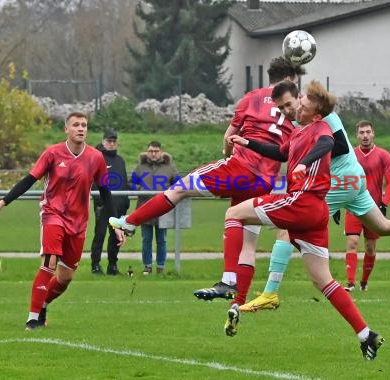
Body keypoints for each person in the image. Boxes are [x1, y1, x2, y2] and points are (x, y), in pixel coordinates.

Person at [239, 83, 390, 314]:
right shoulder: (301, 119)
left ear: (300, 98)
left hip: (341, 180)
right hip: (352, 179)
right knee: (383, 227)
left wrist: (310, 162)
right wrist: (249, 143)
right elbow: (284, 151)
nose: (286, 111)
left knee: (286, 229)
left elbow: (339, 145)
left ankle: (270, 293)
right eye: (281, 108)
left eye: (289, 104)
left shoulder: (321, 115)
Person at [110, 57, 305, 304]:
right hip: (266, 179)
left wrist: (227, 155)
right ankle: (237, 301)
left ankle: (129, 223)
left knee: (179, 189)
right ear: (290, 79)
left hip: (240, 168)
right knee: (246, 237)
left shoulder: (252, 97)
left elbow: (229, 137)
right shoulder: (297, 107)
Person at [223, 80, 385, 360]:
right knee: (323, 280)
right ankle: (365, 334)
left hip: (301, 203)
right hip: (315, 212)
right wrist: (246, 141)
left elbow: (328, 143)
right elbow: (279, 152)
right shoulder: (300, 131)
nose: (299, 104)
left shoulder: (320, 128)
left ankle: (230, 284)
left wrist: (304, 163)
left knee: (233, 213)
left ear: (316, 111)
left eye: (305, 101)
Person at [0, 112, 125, 330]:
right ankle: (32, 319)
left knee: (66, 277)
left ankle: (43, 305)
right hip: (53, 215)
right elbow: (29, 180)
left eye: (84, 125)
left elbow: (105, 192)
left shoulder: (96, 158)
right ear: (66, 129)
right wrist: (2, 203)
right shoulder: (52, 153)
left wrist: (115, 224)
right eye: (76, 125)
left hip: (78, 222)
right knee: (49, 263)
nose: (81, 128)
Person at [344, 120, 390, 291]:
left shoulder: (383, 155)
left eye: (368, 132)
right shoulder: (349, 154)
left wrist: (384, 203)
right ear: (356, 135)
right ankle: (350, 283)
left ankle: (363, 282)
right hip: (353, 205)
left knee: (370, 247)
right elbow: (342, 179)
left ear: (373, 133)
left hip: (372, 208)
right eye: (361, 132)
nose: (365, 136)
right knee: (352, 241)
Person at [133, 141, 178, 274]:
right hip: (144, 208)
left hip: (163, 209)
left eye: (156, 151)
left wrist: (169, 193)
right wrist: (140, 189)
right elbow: (132, 183)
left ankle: (160, 267)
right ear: (147, 152)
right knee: (146, 239)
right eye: (151, 151)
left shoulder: (169, 168)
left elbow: (178, 184)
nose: (153, 154)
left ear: (161, 152)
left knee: (162, 240)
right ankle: (147, 266)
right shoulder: (140, 167)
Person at [90, 129, 130, 275]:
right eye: (109, 141)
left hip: (119, 206)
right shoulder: (96, 158)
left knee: (116, 236)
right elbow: (93, 181)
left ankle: (112, 265)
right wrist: (99, 201)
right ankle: (95, 264)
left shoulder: (120, 161)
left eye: (114, 141)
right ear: (103, 141)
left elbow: (123, 182)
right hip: (103, 206)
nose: (111, 144)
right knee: (99, 235)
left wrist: (125, 201)